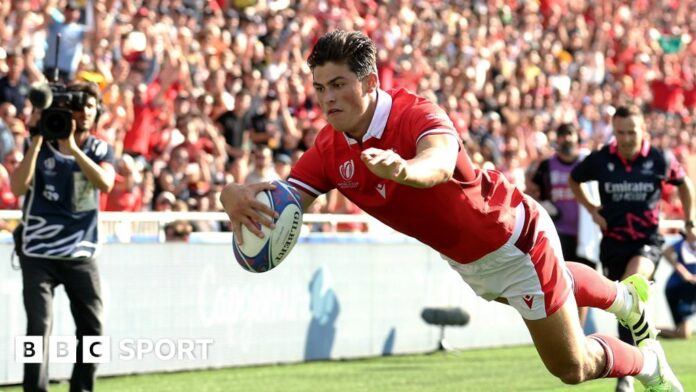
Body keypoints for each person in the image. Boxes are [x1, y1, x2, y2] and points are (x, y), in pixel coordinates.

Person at [220, 30, 683, 391]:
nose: (327, 99)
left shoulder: (415, 113)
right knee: (547, 292)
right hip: (470, 258)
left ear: (370, 82)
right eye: (320, 88)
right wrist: (234, 196)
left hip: (513, 239)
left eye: (339, 85)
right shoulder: (327, 148)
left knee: (571, 365)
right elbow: (286, 201)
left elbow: (439, 160)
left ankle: (647, 364)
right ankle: (627, 299)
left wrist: (405, 170)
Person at [569, 104, 695, 391]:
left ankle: (642, 362)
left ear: (643, 130)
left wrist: (690, 219)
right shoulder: (601, 159)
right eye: (620, 132)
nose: (626, 138)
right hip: (613, 243)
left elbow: (684, 184)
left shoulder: (658, 158)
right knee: (625, 309)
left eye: (631, 132)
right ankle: (628, 370)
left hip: (646, 241)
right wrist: (592, 210)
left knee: (631, 286)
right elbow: (574, 179)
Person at [10, 81, 115, 392]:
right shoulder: (42, 143)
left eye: (90, 109)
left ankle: (82, 388)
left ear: (97, 115)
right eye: (77, 108)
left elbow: (106, 183)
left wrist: (73, 151)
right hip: (38, 252)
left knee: (93, 329)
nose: (83, 114)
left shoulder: (98, 148)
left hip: (81, 252)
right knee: (38, 330)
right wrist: (38, 138)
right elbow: (17, 187)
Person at [530, 123, 597, 326]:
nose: (567, 139)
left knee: (583, 286)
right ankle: (565, 330)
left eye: (570, 134)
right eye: (562, 135)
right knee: (561, 283)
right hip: (558, 234)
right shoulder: (547, 166)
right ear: (556, 140)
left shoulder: (587, 163)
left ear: (577, 138)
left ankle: (580, 330)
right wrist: (546, 206)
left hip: (586, 235)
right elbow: (533, 190)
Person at [660, 235, 696, 339]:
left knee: (684, 334)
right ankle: (648, 329)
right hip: (678, 288)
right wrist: (684, 273)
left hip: (690, 289)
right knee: (683, 334)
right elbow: (666, 251)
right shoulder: (687, 241)